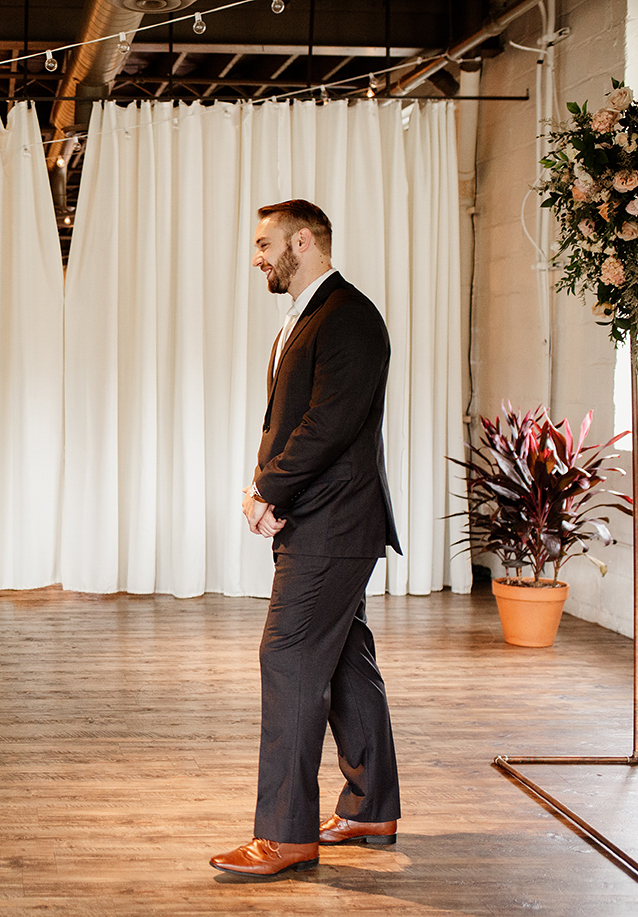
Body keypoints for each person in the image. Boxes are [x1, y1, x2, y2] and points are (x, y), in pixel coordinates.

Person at [210, 201, 402, 877]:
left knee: (287, 657)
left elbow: (324, 426)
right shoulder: (308, 316)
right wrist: (274, 492)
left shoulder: (348, 316)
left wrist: (268, 492)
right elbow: (301, 423)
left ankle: (285, 835)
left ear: (303, 240)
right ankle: (370, 803)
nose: (256, 255)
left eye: (264, 242)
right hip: (325, 520)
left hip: (332, 523)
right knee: (345, 658)